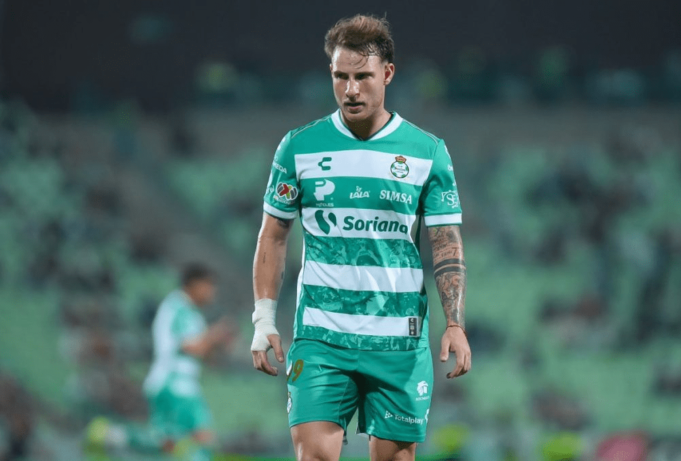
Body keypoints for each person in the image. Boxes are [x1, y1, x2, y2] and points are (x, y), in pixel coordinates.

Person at [251, 14, 471, 461]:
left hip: (399, 341)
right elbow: (273, 236)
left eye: (362, 77)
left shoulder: (426, 152)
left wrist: (454, 324)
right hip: (322, 337)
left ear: (387, 73)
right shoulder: (299, 147)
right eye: (341, 77)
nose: (351, 89)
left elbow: (446, 244)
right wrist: (263, 319)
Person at [85, 263, 233, 461]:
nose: (213, 291)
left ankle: (115, 435)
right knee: (201, 438)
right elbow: (189, 346)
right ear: (194, 284)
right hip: (175, 384)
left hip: (175, 383)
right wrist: (215, 335)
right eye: (209, 285)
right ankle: (115, 435)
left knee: (167, 443)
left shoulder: (191, 314)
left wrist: (218, 345)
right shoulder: (178, 308)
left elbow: (202, 353)